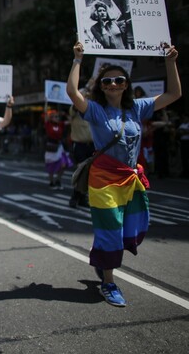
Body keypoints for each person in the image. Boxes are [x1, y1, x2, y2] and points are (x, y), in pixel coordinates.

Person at [66, 41, 182, 307]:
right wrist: (77, 59)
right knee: (111, 231)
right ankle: (108, 282)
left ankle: (103, 260)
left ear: (126, 84)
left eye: (119, 80)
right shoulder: (95, 110)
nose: (113, 84)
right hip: (103, 181)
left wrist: (170, 62)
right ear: (101, 86)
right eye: (107, 81)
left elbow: (174, 93)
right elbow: (73, 92)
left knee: (131, 229)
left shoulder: (137, 108)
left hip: (130, 180)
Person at [68, 82, 95, 207]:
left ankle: (82, 197)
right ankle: (75, 197)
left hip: (92, 145)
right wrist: (86, 88)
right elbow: (75, 102)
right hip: (79, 145)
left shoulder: (92, 109)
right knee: (81, 171)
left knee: (89, 173)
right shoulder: (74, 110)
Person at [44, 111, 73, 190]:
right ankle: (51, 182)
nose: (57, 118)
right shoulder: (48, 124)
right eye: (55, 117)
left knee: (64, 164)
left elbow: (71, 121)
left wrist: (65, 114)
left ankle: (58, 180)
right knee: (51, 165)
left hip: (60, 147)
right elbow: (46, 116)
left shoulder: (61, 124)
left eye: (58, 116)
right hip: (51, 147)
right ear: (51, 118)